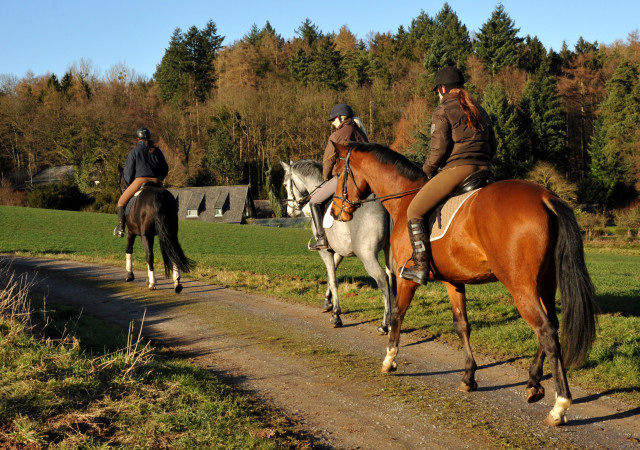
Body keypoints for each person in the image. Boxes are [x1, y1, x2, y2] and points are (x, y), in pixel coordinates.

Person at [401, 66, 497, 284]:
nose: (438, 94)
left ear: (443, 88)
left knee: (414, 210)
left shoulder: (443, 110)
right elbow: (493, 147)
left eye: (437, 91)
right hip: (486, 171)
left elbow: (439, 150)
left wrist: (425, 173)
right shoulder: (479, 109)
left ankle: (420, 266)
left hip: (458, 170)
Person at [308, 103, 369, 251]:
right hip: (364, 179)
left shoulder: (337, 136)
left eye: (333, 119)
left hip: (344, 177)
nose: (333, 123)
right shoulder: (361, 133)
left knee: (314, 202)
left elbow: (328, 160)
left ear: (342, 118)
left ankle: (322, 239)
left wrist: (326, 177)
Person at [113, 127, 169, 237]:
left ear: (138, 139)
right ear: (149, 137)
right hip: (157, 182)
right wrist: (158, 179)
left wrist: (131, 183)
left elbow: (128, 174)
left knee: (121, 202)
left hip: (140, 181)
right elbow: (165, 169)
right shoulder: (157, 151)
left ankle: (120, 229)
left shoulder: (134, 152)